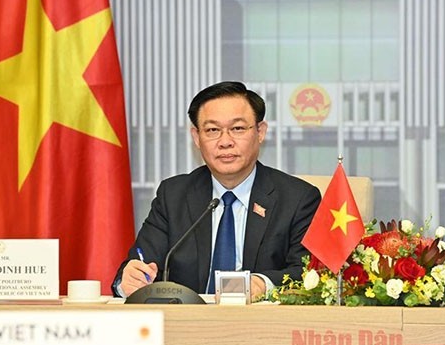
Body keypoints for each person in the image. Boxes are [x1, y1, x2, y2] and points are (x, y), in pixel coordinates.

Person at [111, 81, 321, 301]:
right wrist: (128, 280)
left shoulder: (298, 198)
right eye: (212, 130)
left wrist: (263, 283)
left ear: (260, 132)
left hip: (262, 328)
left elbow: (309, 273)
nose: (225, 142)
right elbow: (141, 263)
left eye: (237, 128)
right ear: (196, 137)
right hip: (186, 327)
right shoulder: (173, 195)